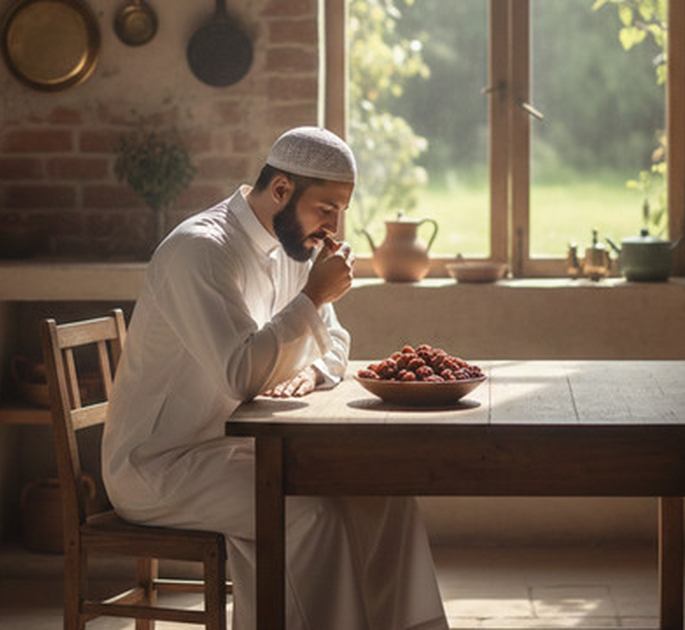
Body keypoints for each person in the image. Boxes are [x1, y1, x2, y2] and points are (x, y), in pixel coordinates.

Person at [102, 127, 448, 630]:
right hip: (160, 463)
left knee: (385, 494)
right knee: (311, 517)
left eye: (341, 211)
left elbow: (336, 345)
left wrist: (309, 368)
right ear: (282, 190)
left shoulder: (294, 247)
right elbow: (241, 375)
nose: (334, 226)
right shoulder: (200, 251)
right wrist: (313, 298)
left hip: (242, 449)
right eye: (325, 209)